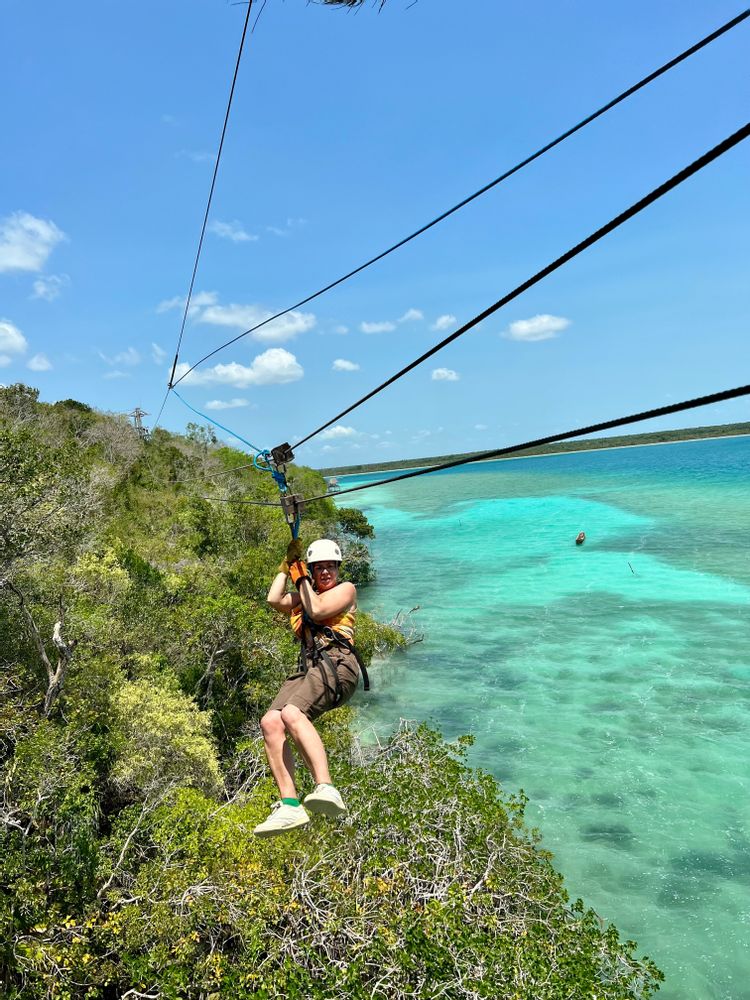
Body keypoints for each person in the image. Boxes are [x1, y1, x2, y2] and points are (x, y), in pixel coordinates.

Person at [253, 537, 361, 837]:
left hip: (339, 663)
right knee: (271, 721)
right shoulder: (304, 594)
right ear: (312, 571)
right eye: (319, 568)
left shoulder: (346, 590)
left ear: (338, 570)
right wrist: (287, 568)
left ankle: (325, 787)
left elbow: (317, 610)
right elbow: (274, 599)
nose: (325, 572)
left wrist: (301, 575)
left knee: (291, 712)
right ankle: (289, 804)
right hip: (311, 667)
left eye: (330, 567)